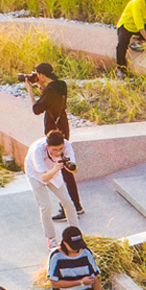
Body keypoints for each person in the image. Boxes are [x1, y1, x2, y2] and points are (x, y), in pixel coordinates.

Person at [28, 63, 84, 218]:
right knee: (65, 167)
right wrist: (41, 86)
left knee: (60, 169)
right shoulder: (60, 85)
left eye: (37, 74)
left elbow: (36, 109)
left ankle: (68, 207)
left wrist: (30, 91)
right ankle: (76, 205)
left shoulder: (50, 91)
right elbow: (52, 100)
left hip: (53, 131)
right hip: (63, 127)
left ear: (41, 75)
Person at [25, 131, 81, 252]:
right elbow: (44, 177)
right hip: (36, 174)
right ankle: (51, 239)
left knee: (68, 203)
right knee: (46, 206)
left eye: (60, 149)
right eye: (54, 150)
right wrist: (56, 168)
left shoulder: (66, 145)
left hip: (54, 172)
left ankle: (75, 232)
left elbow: (74, 170)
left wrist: (70, 166)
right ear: (47, 147)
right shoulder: (38, 150)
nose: (58, 152)